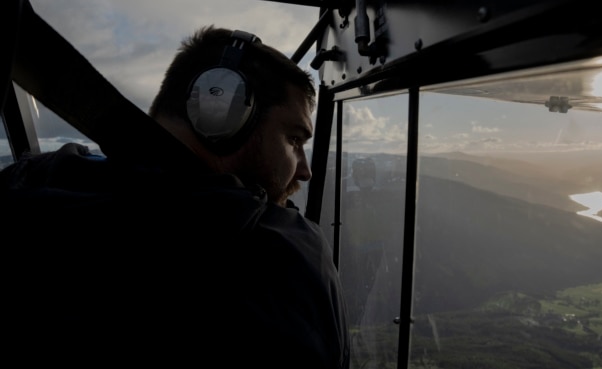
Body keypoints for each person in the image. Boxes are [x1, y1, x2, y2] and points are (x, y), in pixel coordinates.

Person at [2, 26, 350, 368]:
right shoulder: (284, 260)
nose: (304, 170)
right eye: (294, 140)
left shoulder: (27, 190)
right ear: (223, 114)